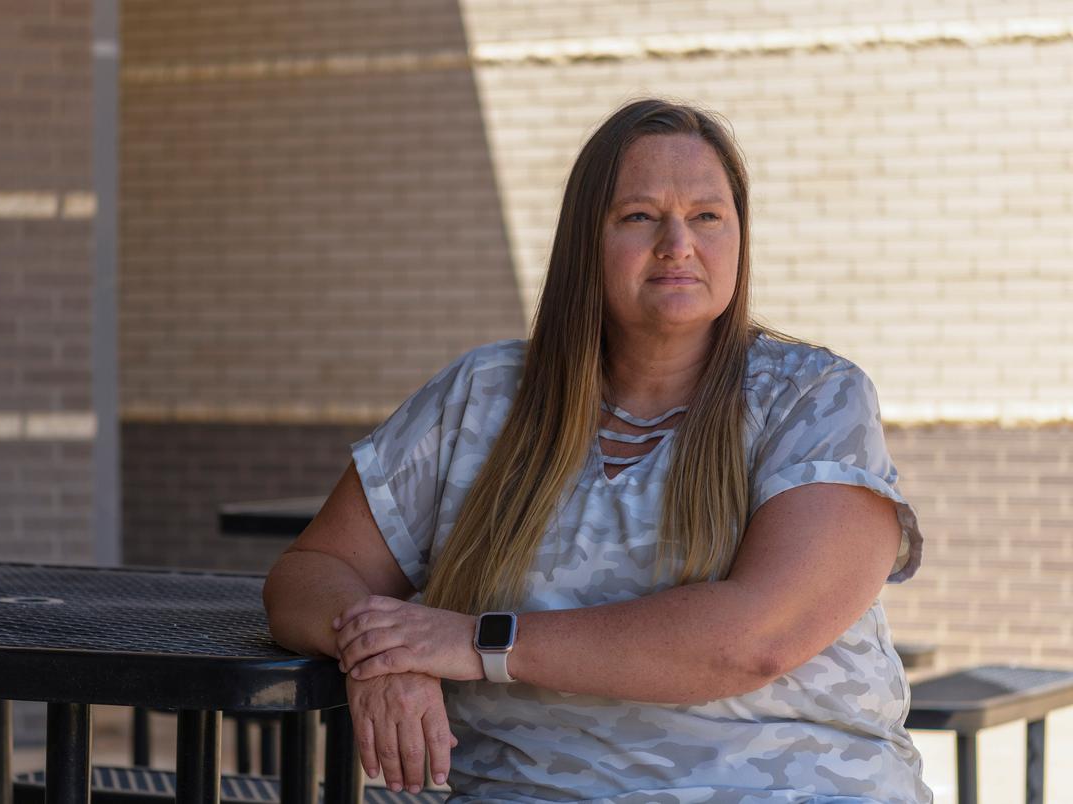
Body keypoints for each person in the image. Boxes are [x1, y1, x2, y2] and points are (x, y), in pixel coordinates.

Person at [263, 98, 931, 803]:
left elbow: (751, 639)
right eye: (639, 216)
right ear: (587, 239)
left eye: (708, 216)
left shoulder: (815, 398)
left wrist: (470, 643)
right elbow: (313, 571)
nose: (678, 242)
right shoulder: (481, 396)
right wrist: (381, 648)